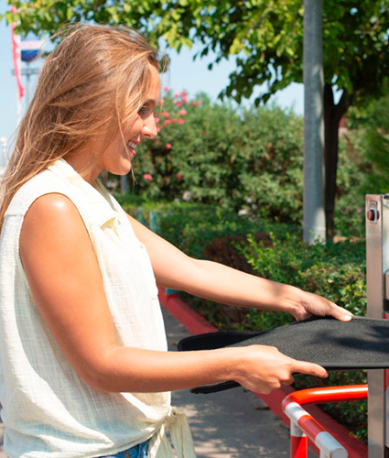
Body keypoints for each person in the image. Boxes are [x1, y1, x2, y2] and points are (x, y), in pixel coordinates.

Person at [0, 24, 352, 458]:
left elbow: (189, 269)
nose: (152, 129)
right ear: (96, 101)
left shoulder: (87, 196)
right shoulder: (52, 205)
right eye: (142, 109)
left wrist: (296, 300)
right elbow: (101, 365)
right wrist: (236, 363)